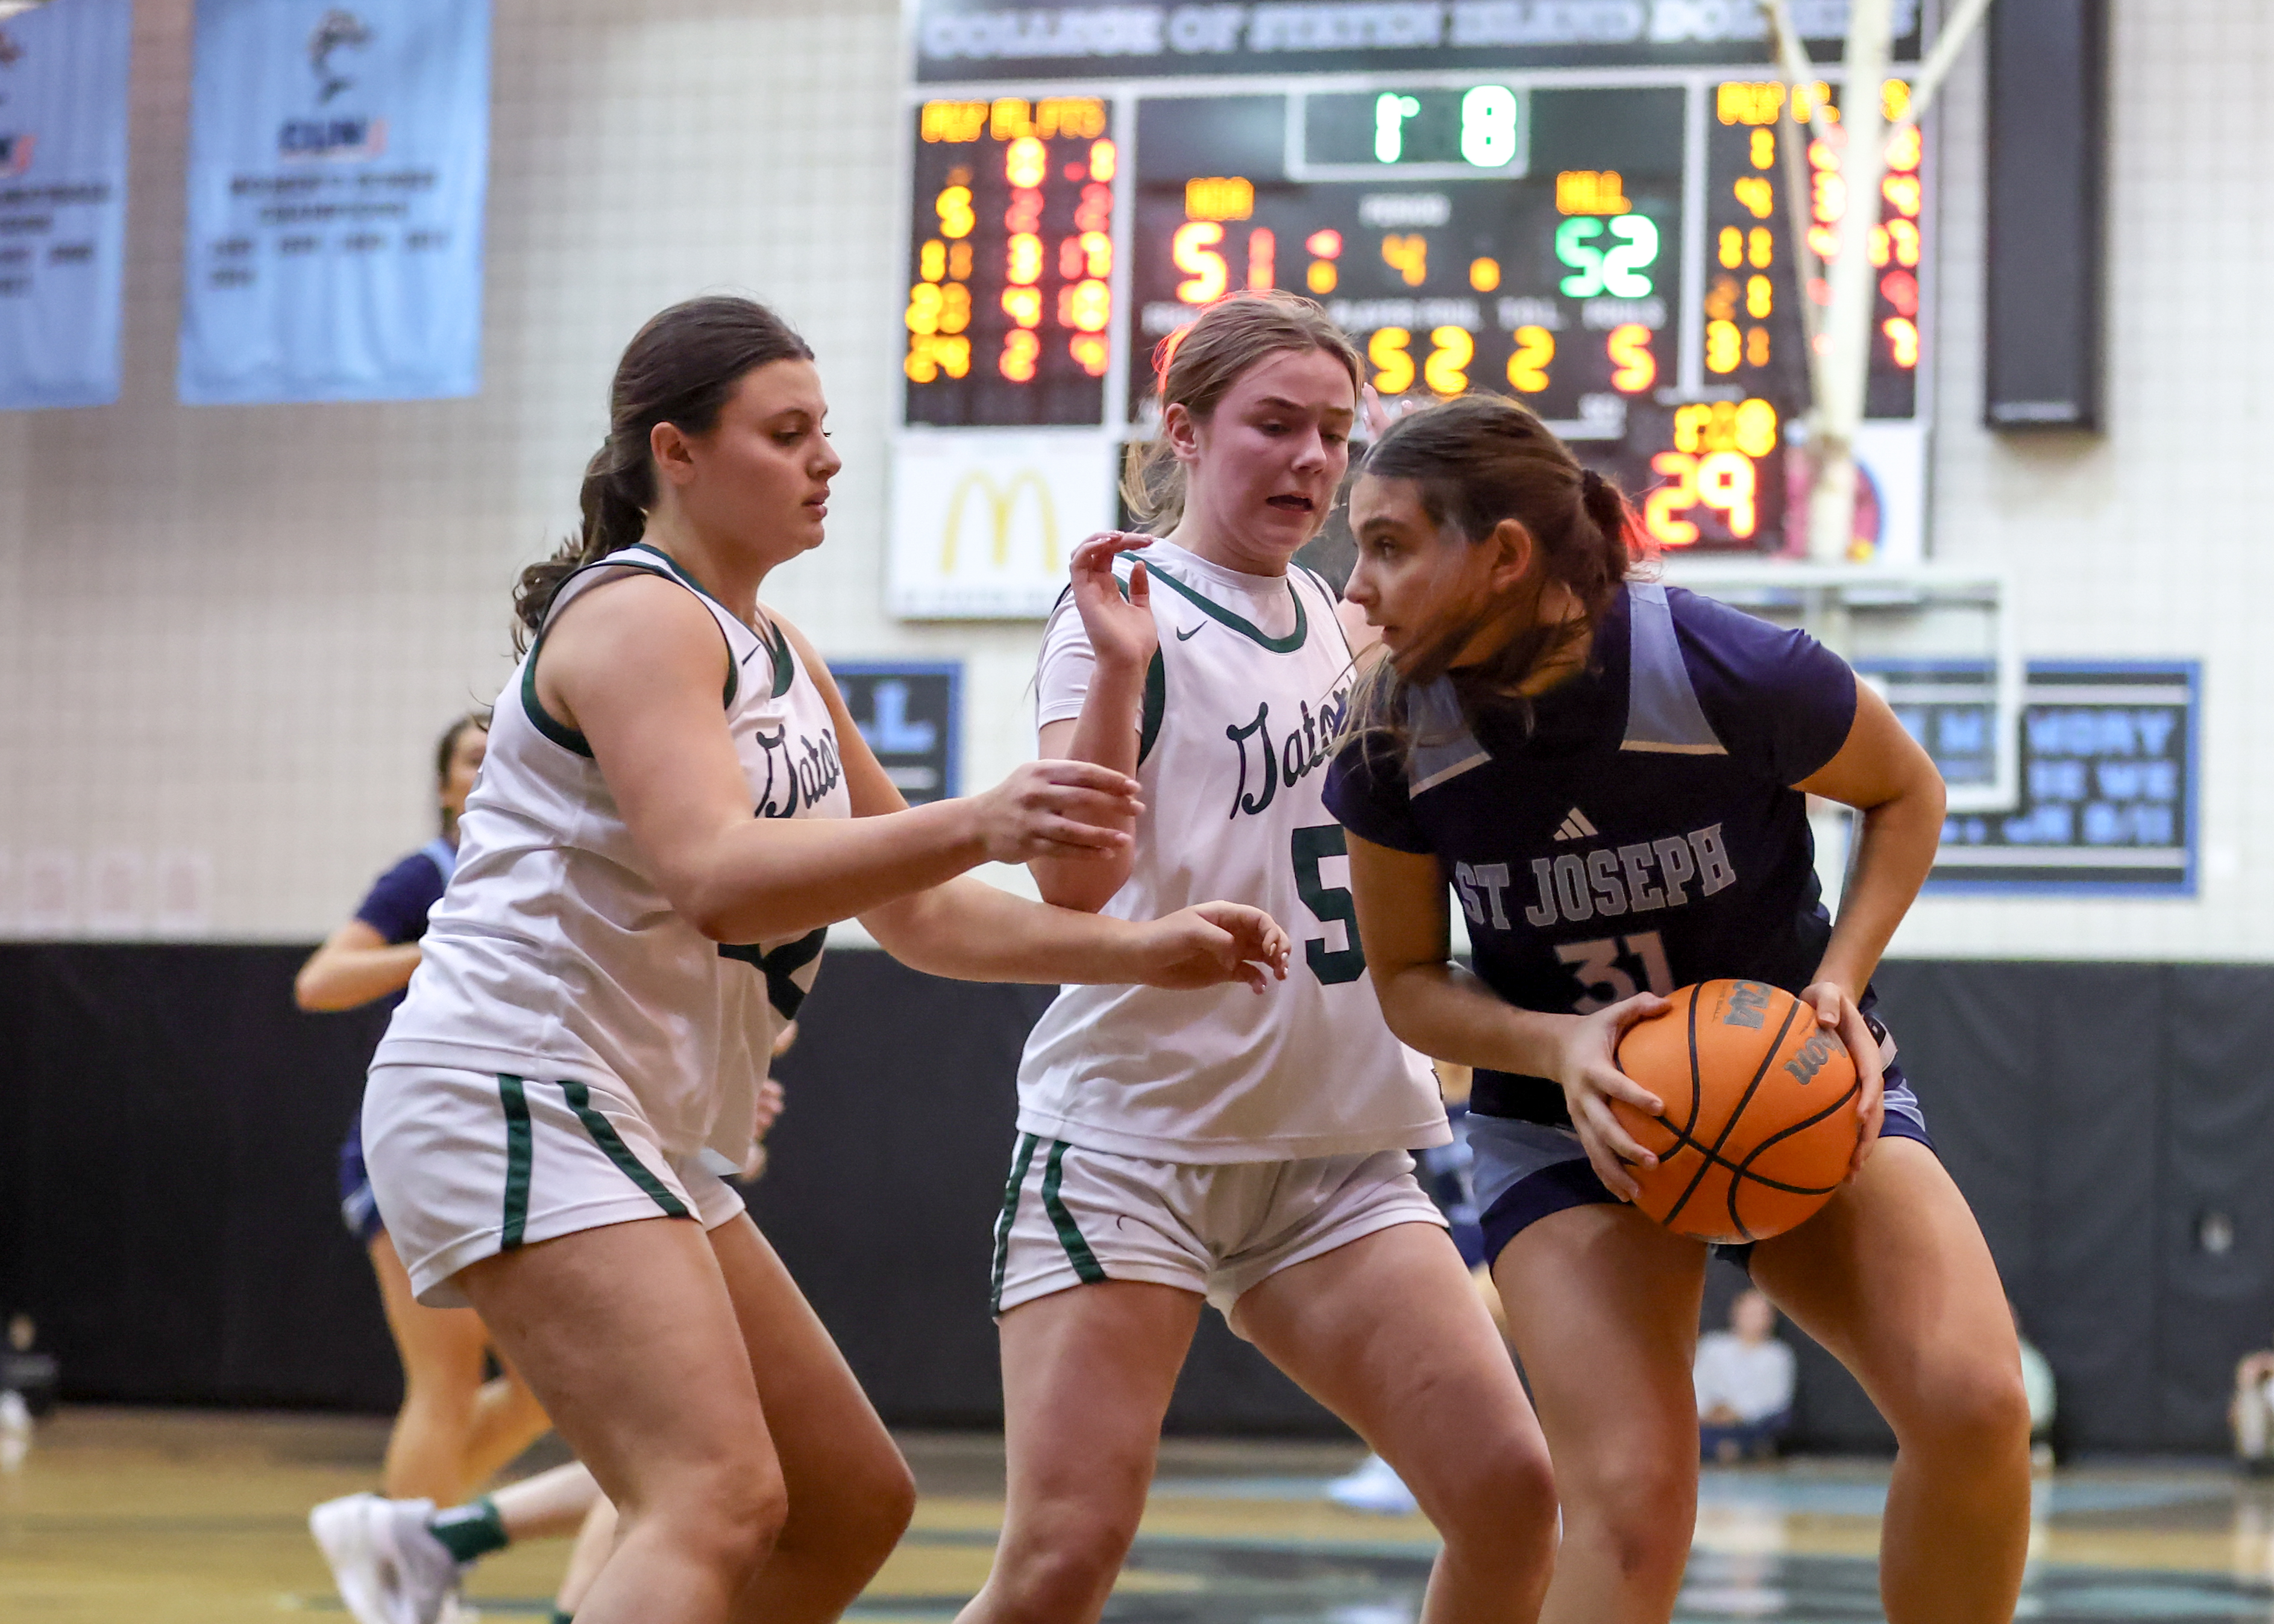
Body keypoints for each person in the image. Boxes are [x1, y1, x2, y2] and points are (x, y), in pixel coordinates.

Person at [356, 295, 1291, 1624]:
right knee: (714, 1497)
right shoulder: (635, 617)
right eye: (785, 433)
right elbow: (713, 877)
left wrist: (1141, 949)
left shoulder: (781, 652)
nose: (826, 460)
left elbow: (922, 913)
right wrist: (976, 815)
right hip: (510, 1083)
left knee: (849, 1500)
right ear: (674, 454)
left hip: (629, 1118)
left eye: (825, 432)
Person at [1324, 391, 2032, 1624]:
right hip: (1560, 1120)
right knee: (1633, 1508)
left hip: (1782, 1082)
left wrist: (1834, 988)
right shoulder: (1392, 736)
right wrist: (1556, 1045)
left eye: (1387, 543)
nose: (1357, 585)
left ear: (1501, 555)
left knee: (1973, 1405)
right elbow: (1405, 986)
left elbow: (1904, 794)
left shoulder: (1721, 666)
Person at [956, 291, 1556, 1624]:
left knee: (1512, 1497)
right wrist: (1114, 673)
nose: (1309, 460)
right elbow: (1070, 884)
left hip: (1330, 1156)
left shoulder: (1360, 625)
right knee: (1059, 1562)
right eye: (1273, 425)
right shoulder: (1121, 612)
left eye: (1335, 434)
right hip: (1134, 1147)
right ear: (1183, 429)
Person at [297, 714, 555, 1511]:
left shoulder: (552, 869)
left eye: (499, 754)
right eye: (472, 758)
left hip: (514, 1142)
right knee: (445, 1380)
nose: (487, 769)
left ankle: (396, 1524)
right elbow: (320, 980)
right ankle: (409, 1566)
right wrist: (437, 947)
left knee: (544, 1387)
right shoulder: (427, 874)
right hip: (421, 1143)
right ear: (445, 785)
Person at [1694, 1289, 1796, 1463]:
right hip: (1708, 1420)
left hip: (1749, 1424)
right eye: (1748, 1313)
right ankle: (1719, 1448)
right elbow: (1696, 1383)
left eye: (1759, 1314)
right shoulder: (1712, 1346)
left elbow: (1777, 1400)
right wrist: (1710, 1410)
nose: (1753, 1319)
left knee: (1776, 1423)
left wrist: (1738, 1413)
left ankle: (1734, 1448)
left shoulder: (1778, 1356)